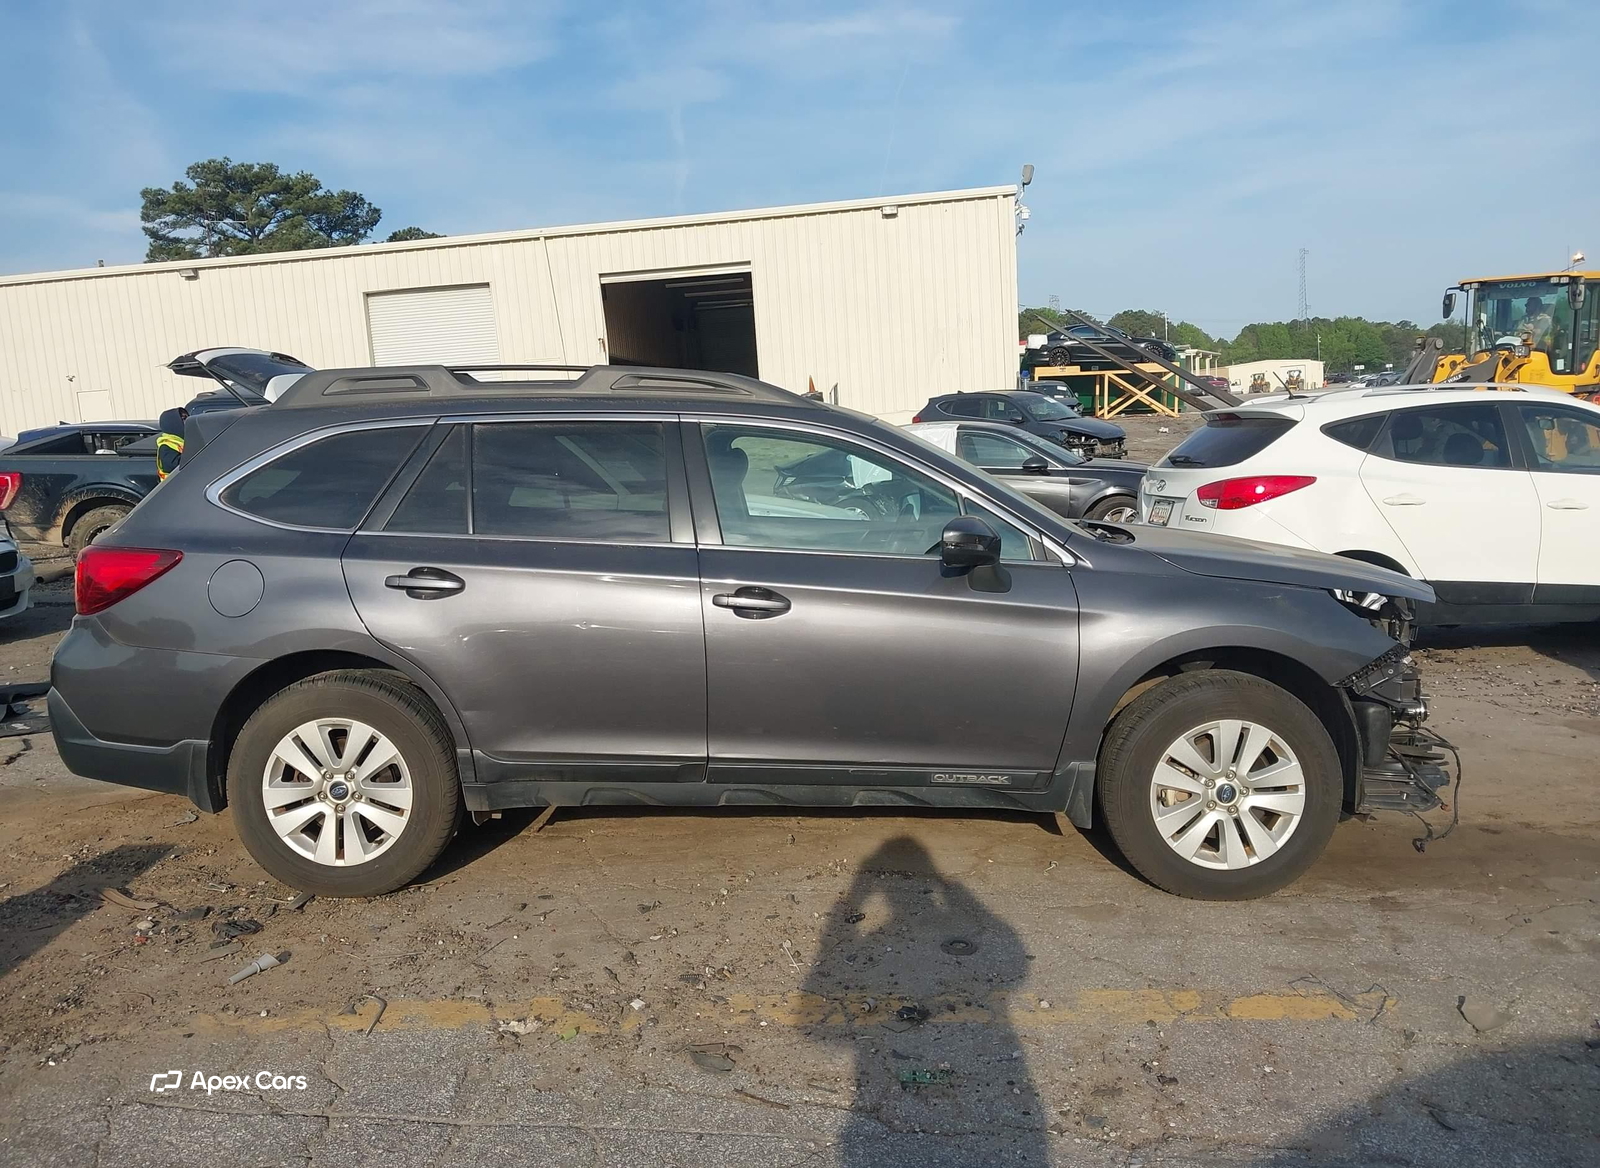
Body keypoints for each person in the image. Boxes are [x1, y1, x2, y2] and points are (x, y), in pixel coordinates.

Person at [155, 406, 187, 481]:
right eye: (184, 419)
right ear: (173, 423)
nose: (187, 421)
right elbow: (177, 466)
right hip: (174, 485)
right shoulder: (165, 446)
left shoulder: (184, 440)